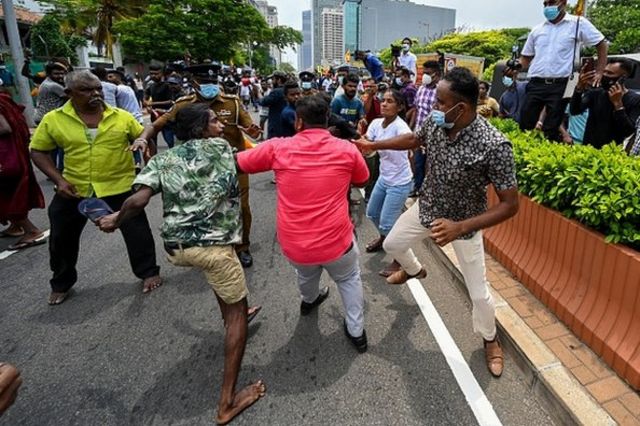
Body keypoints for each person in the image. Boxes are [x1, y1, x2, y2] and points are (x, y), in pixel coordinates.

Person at [97, 104, 265, 425]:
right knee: (236, 314)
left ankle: (235, 313)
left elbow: (138, 199)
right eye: (214, 121)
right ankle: (227, 403)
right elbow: (250, 156)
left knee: (224, 284)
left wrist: (116, 219)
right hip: (214, 248)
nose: (220, 124)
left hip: (177, 248)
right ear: (201, 128)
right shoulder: (220, 147)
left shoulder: (163, 159)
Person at [354, 67, 519, 377]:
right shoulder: (436, 122)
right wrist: (374, 146)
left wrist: (461, 227)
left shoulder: (495, 145)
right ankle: (416, 271)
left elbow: (511, 206)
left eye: (440, 102)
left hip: (464, 224)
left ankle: (489, 338)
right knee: (393, 243)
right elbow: (414, 139)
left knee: (479, 293)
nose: (433, 108)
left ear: (462, 107)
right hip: (426, 207)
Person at [236, 94, 370, 353]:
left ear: (298, 122)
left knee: (306, 273)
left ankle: (309, 301)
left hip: (295, 245)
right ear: (328, 119)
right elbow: (363, 180)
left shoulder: (277, 147)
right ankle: (357, 332)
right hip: (337, 242)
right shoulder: (347, 149)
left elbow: (239, 164)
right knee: (349, 278)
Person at [30, 70, 162, 305]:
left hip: (119, 186)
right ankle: (61, 283)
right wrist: (59, 180)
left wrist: (149, 161)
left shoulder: (120, 116)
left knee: (138, 233)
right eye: (86, 90)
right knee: (61, 238)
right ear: (69, 93)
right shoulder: (54, 119)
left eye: (98, 89)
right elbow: (38, 150)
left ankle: (148, 272)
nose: (95, 94)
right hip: (74, 188)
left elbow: (144, 136)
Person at [142, 63, 261, 268]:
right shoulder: (183, 104)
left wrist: (253, 131)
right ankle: (208, 244)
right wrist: (143, 139)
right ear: (194, 82)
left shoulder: (232, 102)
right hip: (198, 169)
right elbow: (157, 124)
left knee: (241, 207)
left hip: (232, 164)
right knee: (204, 207)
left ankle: (242, 247)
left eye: (213, 82)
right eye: (205, 82)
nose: (210, 86)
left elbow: (251, 130)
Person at [519, 0, 607, 141]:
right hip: (536, 82)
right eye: (545, 4)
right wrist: (515, 67)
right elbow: (525, 58)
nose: (548, 7)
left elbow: (601, 43)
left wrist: (599, 71)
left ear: (563, 2)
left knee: (552, 127)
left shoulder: (578, 23)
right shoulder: (537, 30)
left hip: (564, 83)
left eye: (552, 2)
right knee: (525, 123)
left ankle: (547, 158)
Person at [364, 89, 413, 278]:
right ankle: (385, 239)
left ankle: (400, 258)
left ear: (400, 107)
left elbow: (409, 141)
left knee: (387, 222)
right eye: (383, 100)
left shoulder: (402, 127)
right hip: (384, 178)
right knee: (372, 213)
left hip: (399, 182)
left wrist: (373, 146)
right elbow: (368, 144)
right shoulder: (376, 123)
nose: (384, 104)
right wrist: (362, 144)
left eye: (390, 101)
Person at [0, 92, 45, 249]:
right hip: (13, 156)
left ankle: (31, 230)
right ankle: (16, 226)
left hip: (5, 158)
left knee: (7, 197)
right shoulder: (5, 100)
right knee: (12, 192)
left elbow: (4, 128)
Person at [569, 58, 640, 149]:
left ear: (623, 77)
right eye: (604, 72)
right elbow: (575, 110)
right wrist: (579, 89)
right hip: (590, 150)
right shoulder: (596, 93)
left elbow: (629, 131)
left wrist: (618, 105)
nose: (605, 76)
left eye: (610, 73)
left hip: (616, 154)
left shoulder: (635, 99)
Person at [411, 60, 441, 197]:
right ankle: (418, 187)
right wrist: (411, 128)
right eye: (424, 73)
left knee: (431, 165)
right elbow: (416, 109)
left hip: (434, 135)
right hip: (419, 133)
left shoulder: (441, 91)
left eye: (428, 73)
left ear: (437, 75)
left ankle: (428, 192)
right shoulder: (421, 89)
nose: (425, 76)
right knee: (418, 163)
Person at [34, 59, 69, 173]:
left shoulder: (46, 82)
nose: (60, 76)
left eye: (62, 73)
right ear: (49, 74)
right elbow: (71, 96)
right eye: (56, 73)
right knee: (63, 144)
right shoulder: (53, 85)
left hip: (42, 115)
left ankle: (53, 170)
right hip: (49, 117)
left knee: (52, 147)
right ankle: (59, 169)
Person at [259, 70, 288, 138]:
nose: (272, 81)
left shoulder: (276, 91)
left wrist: (259, 94)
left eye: (273, 79)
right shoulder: (287, 89)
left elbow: (263, 102)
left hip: (276, 124)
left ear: (279, 80)